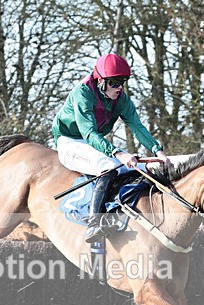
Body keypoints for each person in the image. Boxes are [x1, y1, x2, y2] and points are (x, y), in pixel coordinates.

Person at [52, 53, 171, 242]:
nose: (120, 87)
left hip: (94, 142)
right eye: (115, 82)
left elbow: (137, 126)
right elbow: (89, 133)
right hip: (70, 141)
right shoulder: (83, 93)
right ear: (101, 81)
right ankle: (94, 224)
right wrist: (118, 152)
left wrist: (159, 151)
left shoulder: (121, 99)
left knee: (138, 167)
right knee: (107, 166)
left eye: (123, 81)